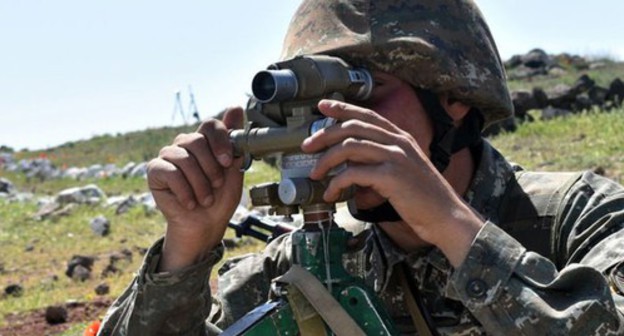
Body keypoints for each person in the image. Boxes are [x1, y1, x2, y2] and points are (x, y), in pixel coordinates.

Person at [98, 0, 624, 334]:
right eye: (312, 106)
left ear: (453, 99)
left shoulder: (579, 217)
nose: (330, 125)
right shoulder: (306, 265)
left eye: (359, 93)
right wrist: (185, 249)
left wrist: (449, 224)